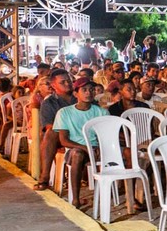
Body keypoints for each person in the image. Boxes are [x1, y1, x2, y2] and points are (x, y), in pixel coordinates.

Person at [52, 77, 110, 208]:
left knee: (128, 152)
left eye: (91, 89)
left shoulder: (101, 112)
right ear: (75, 93)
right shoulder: (64, 113)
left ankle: (133, 198)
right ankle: (76, 198)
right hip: (76, 148)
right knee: (77, 155)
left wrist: (101, 146)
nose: (88, 92)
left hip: (96, 148)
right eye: (84, 90)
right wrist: (84, 147)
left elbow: (106, 135)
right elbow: (64, 140)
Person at [33, 69, 76, 191]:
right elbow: (49, 126)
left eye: (69, 81)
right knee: (50, 133)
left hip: (82, 133)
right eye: (63, 82)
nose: (68, 84)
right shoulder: (49, 102)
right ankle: (45, 176)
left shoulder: (79, 96)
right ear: (53, 85)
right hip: (61, 135)